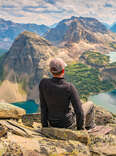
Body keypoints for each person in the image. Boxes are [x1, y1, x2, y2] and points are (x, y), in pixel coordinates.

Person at [39, 58, 95, 130]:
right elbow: (79, 112)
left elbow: (43, 106)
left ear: (50, 71)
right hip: (68, 124)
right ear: (63, 71)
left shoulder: (43, 83)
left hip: (52, 123)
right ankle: (89, 127)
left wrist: (45, 126)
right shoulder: (69, 87)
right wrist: (80, 130)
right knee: (90, 104)